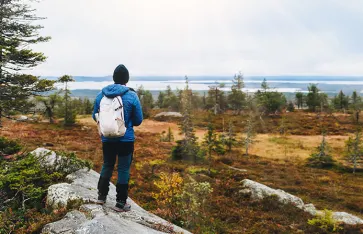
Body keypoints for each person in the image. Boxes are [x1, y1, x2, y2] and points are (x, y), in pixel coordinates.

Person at [92, 64, 143, 212]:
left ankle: (101, 197)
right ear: (126, 79)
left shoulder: (101, 95)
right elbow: (138, 120)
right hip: (126, 139)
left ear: (114, 78)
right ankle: (120, 202)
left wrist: (108, 125)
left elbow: (95, 115)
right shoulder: (131, 95)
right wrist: (126, 123)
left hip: (107, 139)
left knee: (107, 164)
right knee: (123, 168)